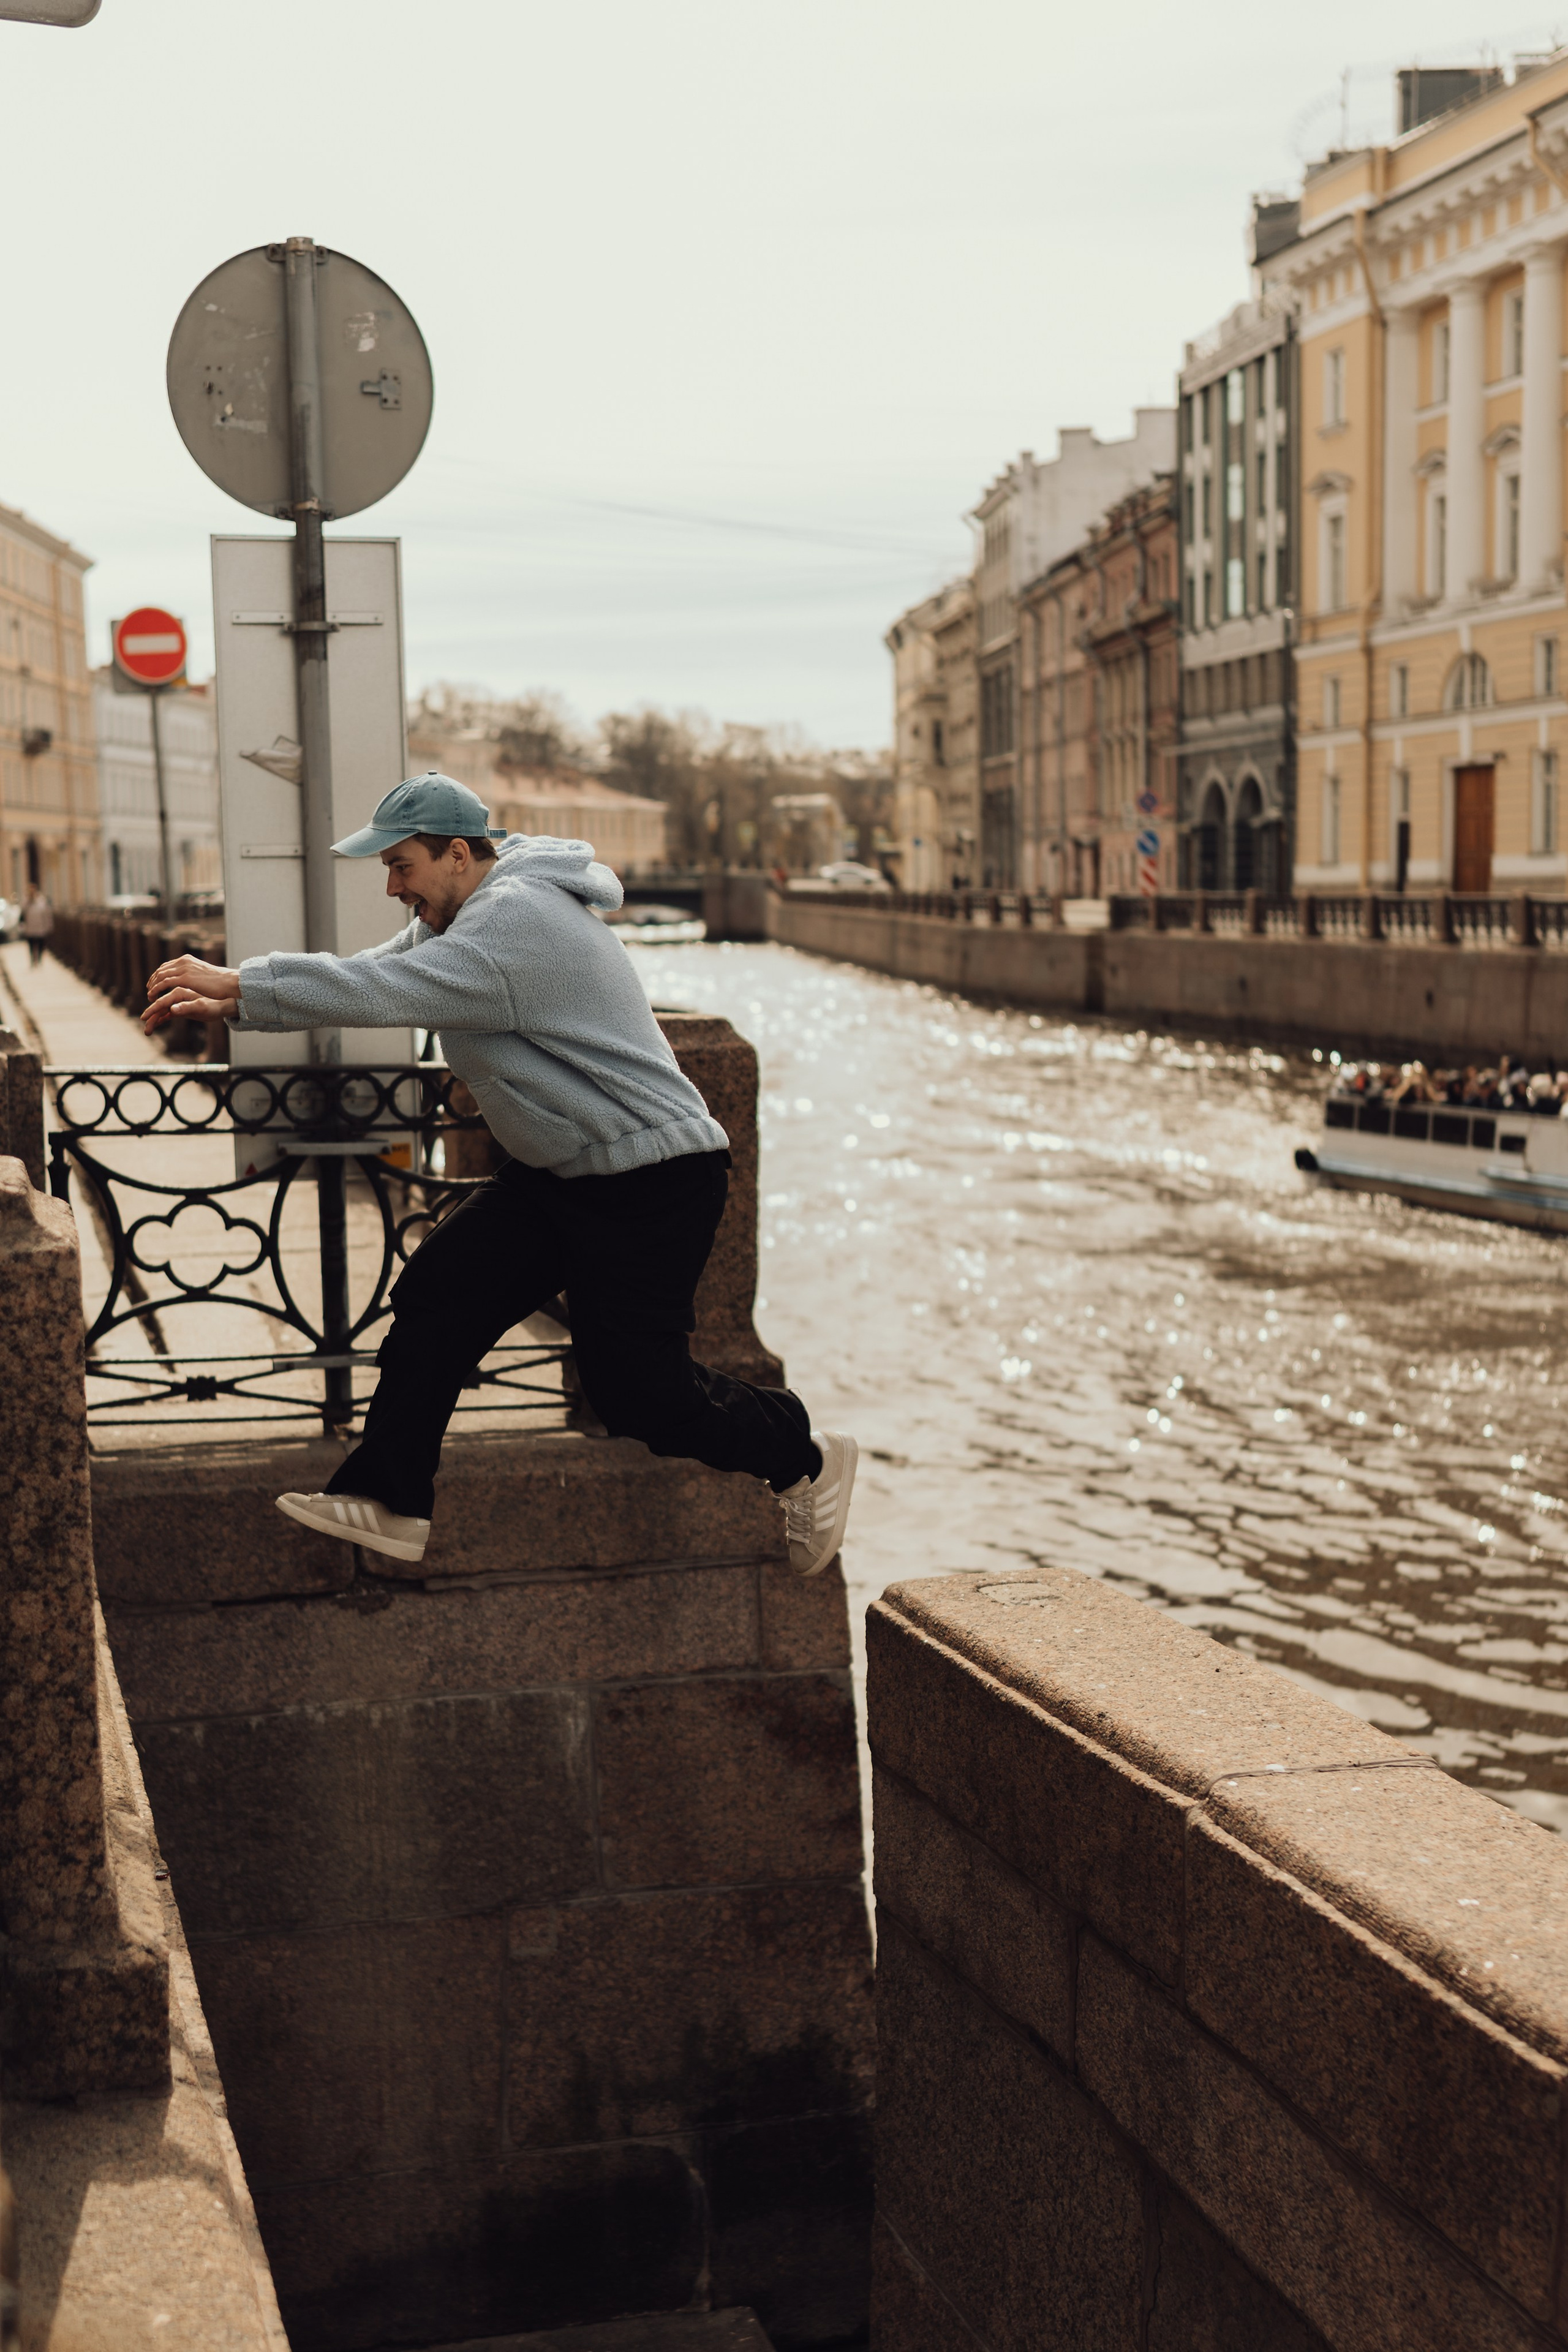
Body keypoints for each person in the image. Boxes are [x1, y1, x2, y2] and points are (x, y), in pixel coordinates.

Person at [141, 772, 856, 1576]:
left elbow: (386, 991)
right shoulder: (469, 909)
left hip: (651, 1176)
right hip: (566, 1174)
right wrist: (243, 988)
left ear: (454, 854)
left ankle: (803, 1455)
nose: (391, 886)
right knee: (438, 1292)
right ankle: (391, 1498)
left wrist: (242, 989)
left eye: (401, 866)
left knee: (639, 1397)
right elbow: (372, 967)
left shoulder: (518, 919)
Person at [21, 885, 52, 968]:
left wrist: (48, 926)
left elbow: (46, 915)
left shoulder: (41, 902)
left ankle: (39, 960)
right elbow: (23, 915)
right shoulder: (26, 903)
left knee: (40, 945)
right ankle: (33, 960)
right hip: (30, 928)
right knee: (31, 946)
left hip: (40, 928)